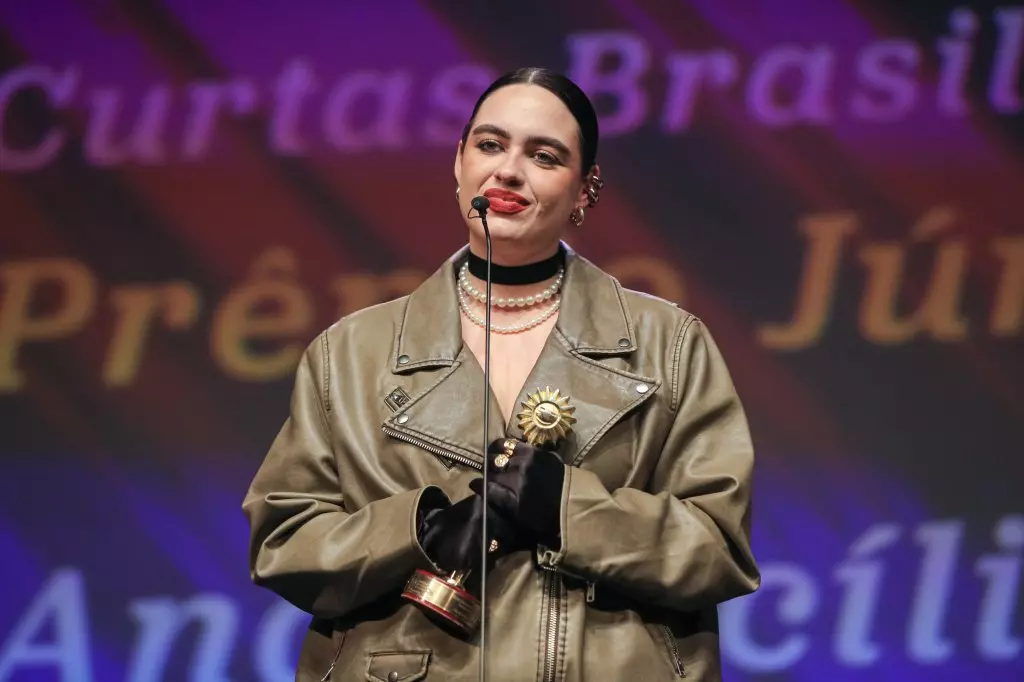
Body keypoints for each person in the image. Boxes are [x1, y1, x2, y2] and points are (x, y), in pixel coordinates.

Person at [242, 67, 760, 682]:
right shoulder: (348, 354)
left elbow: (718, 546)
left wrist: (566, 508)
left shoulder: (668, 346)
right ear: (458, 162)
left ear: (585, 189)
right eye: (490, 145)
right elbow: (285, 540)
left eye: (544, 156)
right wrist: (418, 526)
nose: (509, 170)